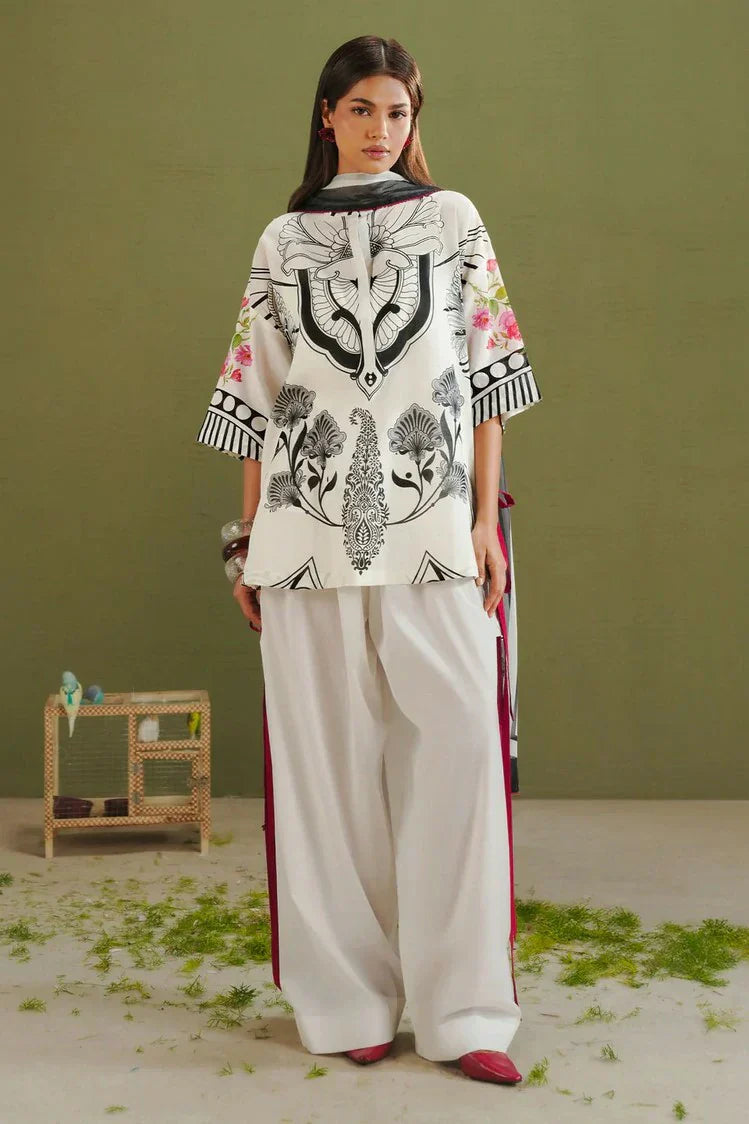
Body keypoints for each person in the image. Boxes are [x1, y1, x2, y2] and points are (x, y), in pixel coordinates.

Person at [196, 35, 543, 1086]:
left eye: (396, 111)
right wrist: (244, 543)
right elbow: (256, 392)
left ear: (412, 119)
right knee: (323, 768)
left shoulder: (453, 221)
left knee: (457, 755)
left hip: (432, 526)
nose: (379, 128)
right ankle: (345, 998)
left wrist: (481, 522)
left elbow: (485, 375)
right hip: (301, 530)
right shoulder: (282, 236)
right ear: (327, 116)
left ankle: (463, 1009)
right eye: (360, 110)